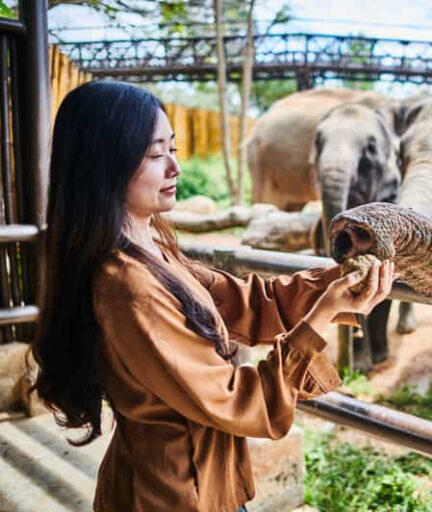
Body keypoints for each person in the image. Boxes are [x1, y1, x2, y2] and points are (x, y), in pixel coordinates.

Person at [30, 81, 395, 512]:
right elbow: (238, 400)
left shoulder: (152, 249)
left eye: (173, 149)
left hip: (202, 484)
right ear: (105, 163)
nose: (174, 168)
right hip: (174, 496)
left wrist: (337, 280)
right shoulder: (126, 286)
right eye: (155, 154)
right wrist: (321, 316)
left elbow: (247, 302)